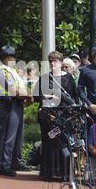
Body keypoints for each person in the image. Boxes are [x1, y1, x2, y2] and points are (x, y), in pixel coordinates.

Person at [34, 51, 79, 181]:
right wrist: (49, 97)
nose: (53, 63)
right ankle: (49, 173)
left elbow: (74, 97)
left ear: (61, 61)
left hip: (64, 116)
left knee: (63, 143)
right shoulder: (44, 78)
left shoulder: (69, 78)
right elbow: (37, 96)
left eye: (55, 60)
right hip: (48, 117)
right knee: (49, 142)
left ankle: (64, 173)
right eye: (51, 61)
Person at [0, 45, 32, 176]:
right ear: (5, 58)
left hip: (17, 103)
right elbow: (12, 90)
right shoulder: (2, 71)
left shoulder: (12, 71)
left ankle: (16, 162)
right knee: (9, 136)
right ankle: (4, 165)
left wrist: (26, 96)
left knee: (18, 136)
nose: (14, 59)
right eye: (12, 57)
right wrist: (28, 96)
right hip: (9, 104)